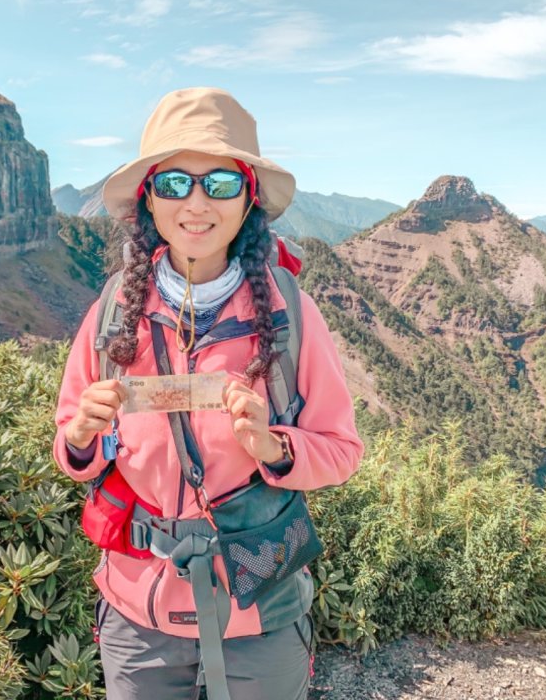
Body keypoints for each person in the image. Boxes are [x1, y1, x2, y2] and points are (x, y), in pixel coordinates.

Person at [53, 87, 364, 700]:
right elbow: (72, 448)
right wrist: (82, 436)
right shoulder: (114, 310)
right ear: (149, 198)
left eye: (219, 183)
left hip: (258, 609)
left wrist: (274, 446)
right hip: (138, 612)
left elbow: (341, 450)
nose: (196, 202)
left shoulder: (289, 313)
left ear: (248, 196)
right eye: (174, 183)